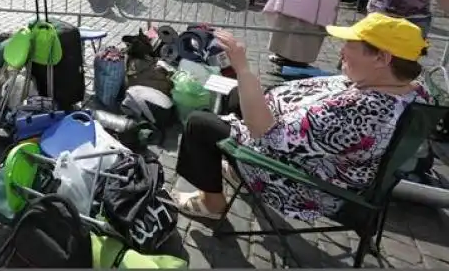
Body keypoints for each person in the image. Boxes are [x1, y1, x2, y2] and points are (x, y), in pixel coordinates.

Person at [173, 14, 430, 222]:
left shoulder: (360, 112)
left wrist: (242, 67)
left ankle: (212, 202)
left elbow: (266, 133)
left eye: (351, 45)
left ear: (382, 58)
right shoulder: (411, 90)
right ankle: (236, 173)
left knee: (199, 123)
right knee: (235, 93)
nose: (342, 51)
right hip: (317, 158)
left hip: (306, 183)